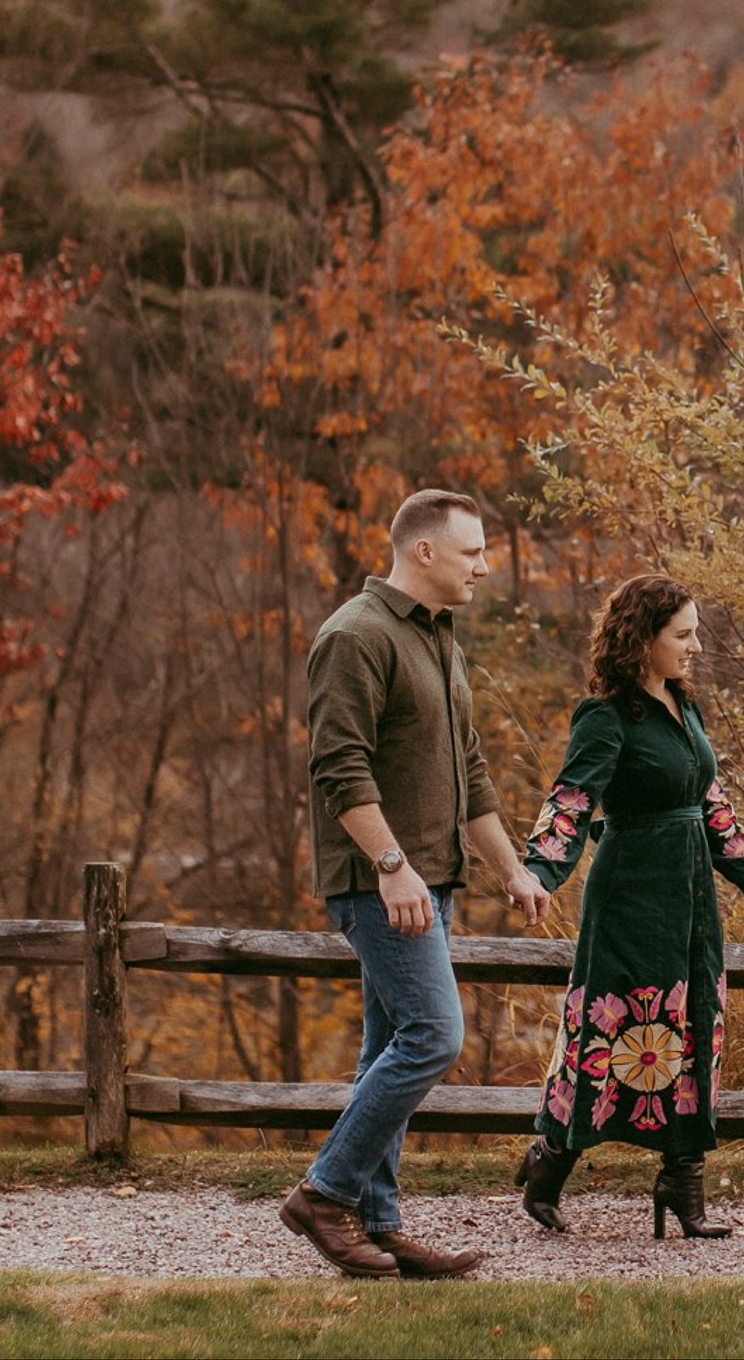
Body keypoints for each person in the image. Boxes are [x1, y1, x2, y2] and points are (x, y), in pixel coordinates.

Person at [280, 488, 551, 1281]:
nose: (484, 567)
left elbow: (468, 767)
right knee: (435, 1035)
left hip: (430, 879)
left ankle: (379, 1222)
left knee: (384, 1050)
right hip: (380, 884)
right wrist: (390, 866)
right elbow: (338, 765)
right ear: (423, 552)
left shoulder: (439, 639)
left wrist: (510, 867)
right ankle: (324, 1195)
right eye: (472, 552)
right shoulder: (354, 636)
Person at [515, 574, 744, 1239]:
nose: (695, 647)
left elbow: (709, 795)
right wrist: (540, 873)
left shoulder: (683, 707)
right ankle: (550, 1160)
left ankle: (682, 1184)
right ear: (645, 639)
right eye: (682, 635)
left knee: (693, 1024)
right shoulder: (608, 715)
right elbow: (573, 799)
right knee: (612, 1033)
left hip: (690, 898)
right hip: (629, 898)